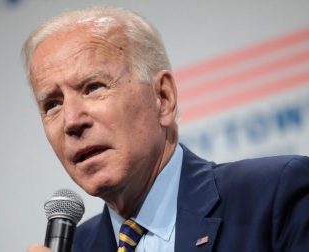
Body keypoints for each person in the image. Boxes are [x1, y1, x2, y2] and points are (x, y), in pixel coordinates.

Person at [23, 5, 309, 252]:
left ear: (163, 98)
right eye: (52, 105)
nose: (72, 121)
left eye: (93, 87)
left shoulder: (275, 196)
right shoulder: (77, 248)